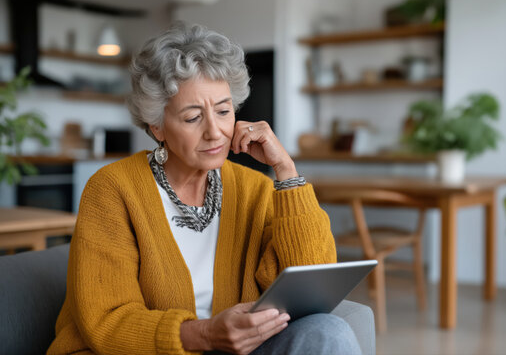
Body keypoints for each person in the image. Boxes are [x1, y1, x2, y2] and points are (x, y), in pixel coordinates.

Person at [47, 22, 361, 355]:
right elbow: (107, 323)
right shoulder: (113, 190)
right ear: (157, 126)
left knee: (329, 331)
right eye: (193, 117)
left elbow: (311, 291)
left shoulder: (254, 188)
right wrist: (206, 335)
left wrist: (286, 172)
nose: (215, 132)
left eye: (224, 111)